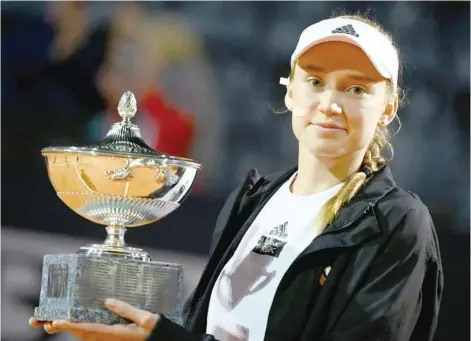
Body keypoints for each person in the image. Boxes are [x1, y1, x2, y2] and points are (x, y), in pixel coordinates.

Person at [29, 13, 444, 341]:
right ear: (290, 92)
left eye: (357, 89)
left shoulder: (398, 224)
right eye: (316, 81)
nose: (331, 104)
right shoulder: (252, 201)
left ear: (388, 109)